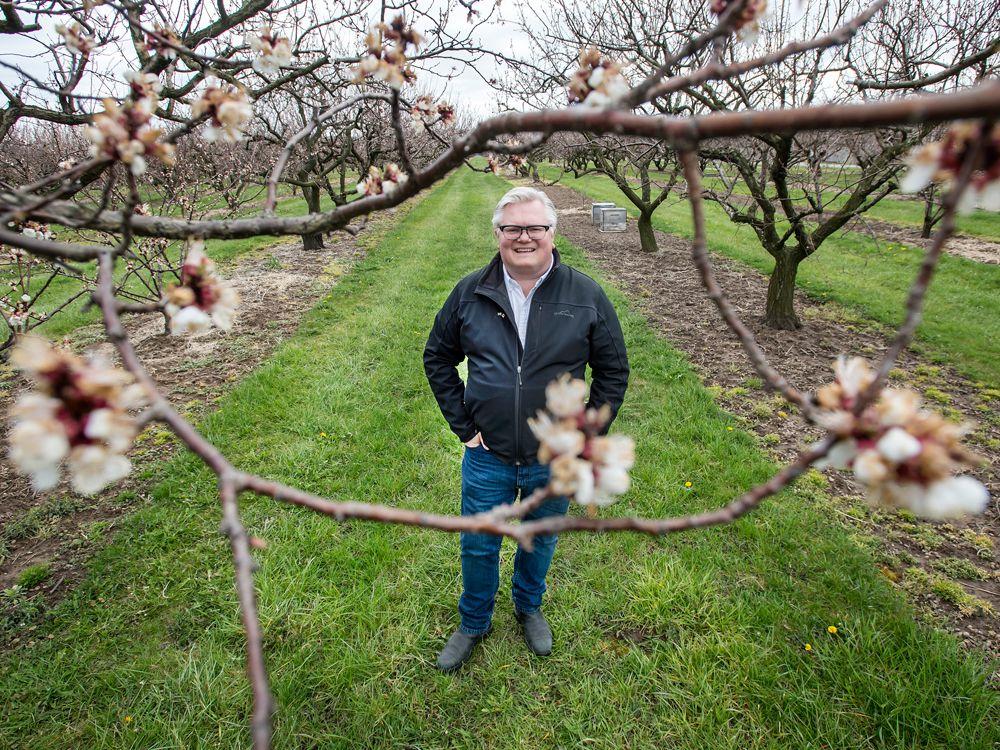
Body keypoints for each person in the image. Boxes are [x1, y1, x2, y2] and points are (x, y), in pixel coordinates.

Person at [423, 186, 629, 672]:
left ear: (553, 234)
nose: (524, 237)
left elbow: (613, 371)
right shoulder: (470, 292)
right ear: (497, 234)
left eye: (535, 227)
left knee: (540, 536)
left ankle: (528, 605)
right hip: (487, 452)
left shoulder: (585, 294)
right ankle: (474, 620)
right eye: (512, 227)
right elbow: (438, 356)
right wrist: (464, 427)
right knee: (479, 541)